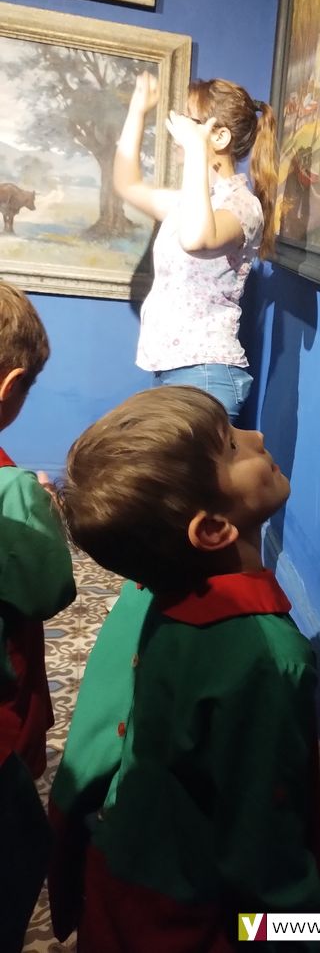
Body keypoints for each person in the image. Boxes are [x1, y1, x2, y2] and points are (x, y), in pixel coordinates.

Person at [48, 387, 320, 951]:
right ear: (213, 529)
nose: (258, 437)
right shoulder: (268, 660)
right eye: (231, 448)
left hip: (123, 880)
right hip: (189, 918)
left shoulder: (158, 596)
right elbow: (263, 849)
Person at [113, 72, 278, 422]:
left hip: (205, 374)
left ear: (220, 136)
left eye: (189, 120)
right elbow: (127, 184)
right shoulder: (191, 202)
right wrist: (137, 111)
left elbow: (196, 239)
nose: (178, 130)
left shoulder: (242, 205)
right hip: (177, 371)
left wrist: (194, 152)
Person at [0, 283, 76, 953]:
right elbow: (48, 590)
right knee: (21, 844)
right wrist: (43, 512)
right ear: (11, 387)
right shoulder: (13, 491)